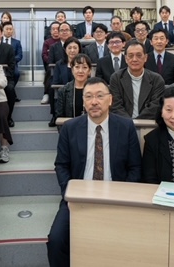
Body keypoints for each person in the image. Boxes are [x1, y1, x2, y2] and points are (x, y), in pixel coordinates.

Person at [47, 77, 142, 267]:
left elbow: (135, 168)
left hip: (117, 199)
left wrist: (122, 196)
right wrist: (71, 193)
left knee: (128, 243)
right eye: (88, 97)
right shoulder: (70, 128)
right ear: (84, 102)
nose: (94, 102)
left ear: (110, 100)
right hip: (77, 199)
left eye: (100, 96)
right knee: (56, 240)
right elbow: (61, 165)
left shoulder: (125, 127)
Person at [109, 40, 165, 119]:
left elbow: (155, 107)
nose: (134, 59)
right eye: (130, 56)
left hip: (148, 124)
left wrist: (137, 122)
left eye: (139, 55)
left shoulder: (156, 79)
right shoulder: (116, 78)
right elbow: (116, 106)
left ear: (145, 58)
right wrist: (130, 124)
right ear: (125, 59)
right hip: (123, 123)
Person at [56, 54, 92, 119]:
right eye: (77, 67)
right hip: (70, 128)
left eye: (84, 67)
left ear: (89, 71)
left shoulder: (95, 89)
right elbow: (59, 118)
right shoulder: (63, 91)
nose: (80, 71)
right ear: (72, 70)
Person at [42, 21, 61, 104]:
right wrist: (50, 61)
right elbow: (44, 55)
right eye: (53, 29)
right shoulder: (47, 42)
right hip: (51, 65)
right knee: (50, 71)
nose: (55, 30)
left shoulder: (64, 41)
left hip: (62, 65)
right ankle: (46, 93)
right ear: (50, 31)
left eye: (57, 29)